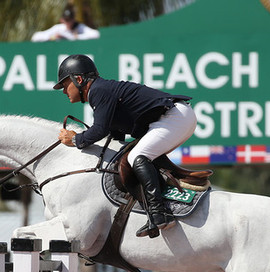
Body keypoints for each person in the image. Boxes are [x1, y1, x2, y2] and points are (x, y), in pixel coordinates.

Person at [55, 54, 197, 238]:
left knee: (136, 157)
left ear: (79, 79)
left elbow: (99, 129)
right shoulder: (100, 91)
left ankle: (159, 214)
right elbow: (115, 134)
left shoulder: (98, 90)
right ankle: (163, 203)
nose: (64, 91)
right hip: (175, 117)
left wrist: (75, 140)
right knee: (136, 155)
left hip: (174, 118)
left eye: (65, 85)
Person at [31, 5, 100, 42]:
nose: (69, 22)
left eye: (71, 19)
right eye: (67, 20)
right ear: (62, 20)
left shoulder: (79, 26)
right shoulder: (58, 28)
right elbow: (35, 37)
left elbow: (96, 34)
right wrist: (53, 37)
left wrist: (76, 37)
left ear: (74, 19)